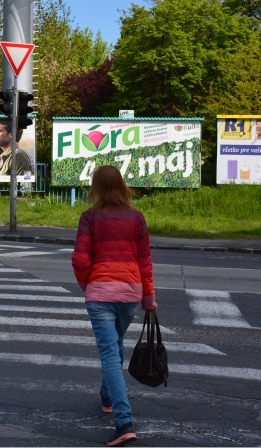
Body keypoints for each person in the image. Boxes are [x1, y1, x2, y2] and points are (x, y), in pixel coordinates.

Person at [72, 165, 157, 447]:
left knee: (110, 355)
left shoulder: (89, 218)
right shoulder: (137, 218)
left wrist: (89, 285)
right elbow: (145, 262)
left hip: (101, 294)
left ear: (96, 187)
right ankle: (107, 398)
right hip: (130, 294)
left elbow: (80, 261)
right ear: (121, 186)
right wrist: (149, 298)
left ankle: (124, 423)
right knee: (116, 345)